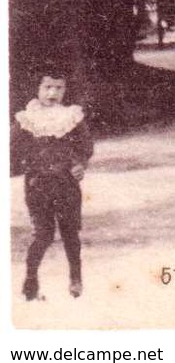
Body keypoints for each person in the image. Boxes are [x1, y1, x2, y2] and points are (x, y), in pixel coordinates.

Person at [14, 71, 93, 302]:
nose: (52, 93)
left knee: (70, 232)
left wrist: (80, 164)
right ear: (38, 89)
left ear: (65, 90)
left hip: (66, 182)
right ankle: (30, 279)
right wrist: (24, 164)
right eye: (48, 87)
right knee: (43, 233)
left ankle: (75, 278)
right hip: (38, 183)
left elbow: (86, 145)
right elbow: (12, 147)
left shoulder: (71, 117)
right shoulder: (26, 119)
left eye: (59, 88)